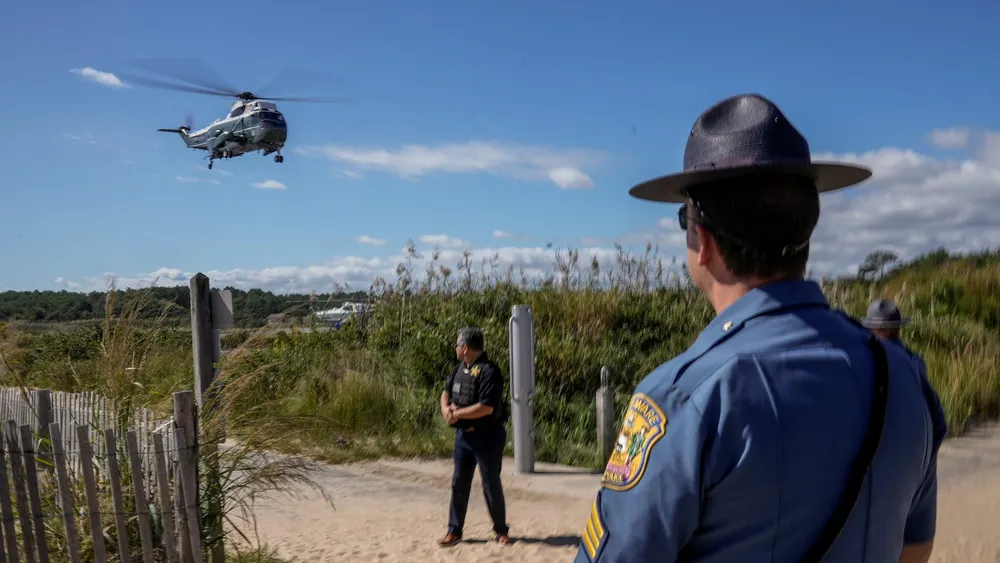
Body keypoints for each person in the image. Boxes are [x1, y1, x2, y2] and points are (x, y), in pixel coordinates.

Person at [574, 94, 948, 563]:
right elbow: (915, 549)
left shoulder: (686, 397)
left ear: (703, 241)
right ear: (805, 231)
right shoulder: (903, 377)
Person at [438, 327, 511, 547]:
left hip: (488, 438)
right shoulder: (459, 368)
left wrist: (456, 414)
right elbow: (446, 391)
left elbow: (486, 408)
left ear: (466, 347)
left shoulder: (490, 372)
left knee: (491, 485)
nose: (456, 348)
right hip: (463, 439)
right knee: (459, 483)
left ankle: (501, 531)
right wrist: (445, 410)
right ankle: (454, 530)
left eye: (457, 345)